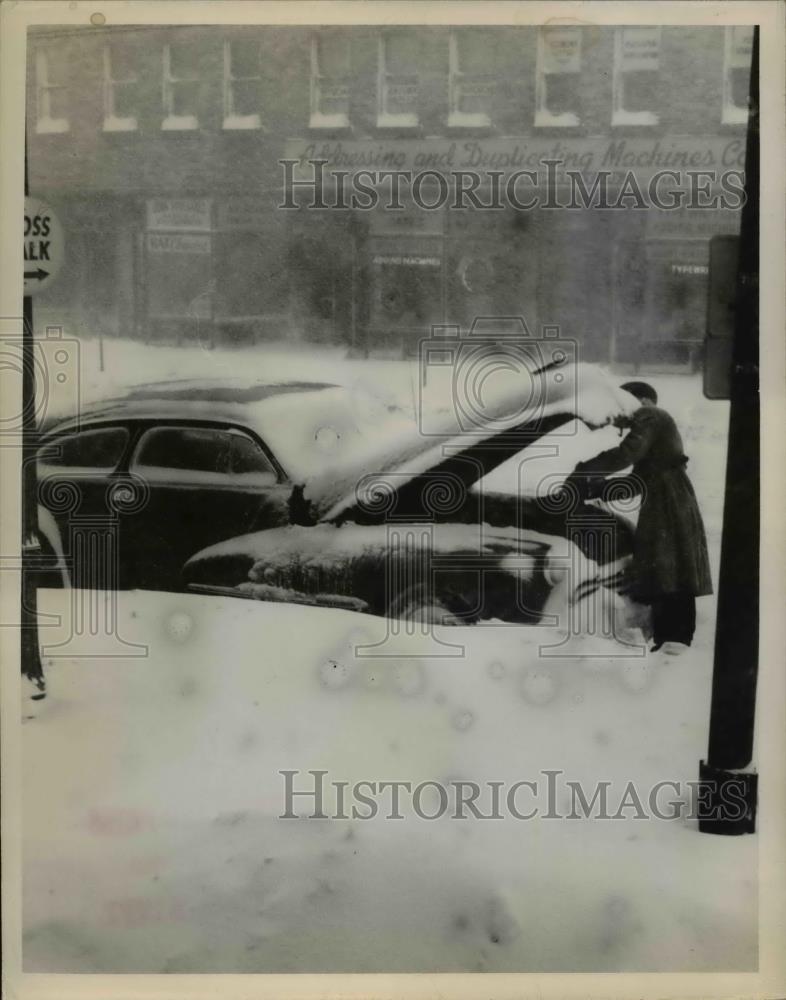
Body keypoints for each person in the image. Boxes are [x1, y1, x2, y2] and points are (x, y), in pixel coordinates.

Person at [564, 381, 712, 654]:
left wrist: (586, 471)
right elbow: (635, 481)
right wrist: (594, 489)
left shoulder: (650, 415)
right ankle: (672, 637)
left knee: (670, 564)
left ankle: (675, 639)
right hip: (667, 496)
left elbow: (626, 453)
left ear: (639, 399)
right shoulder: (656, 422)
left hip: (667, 498)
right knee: (670, 564)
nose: (623, 415)